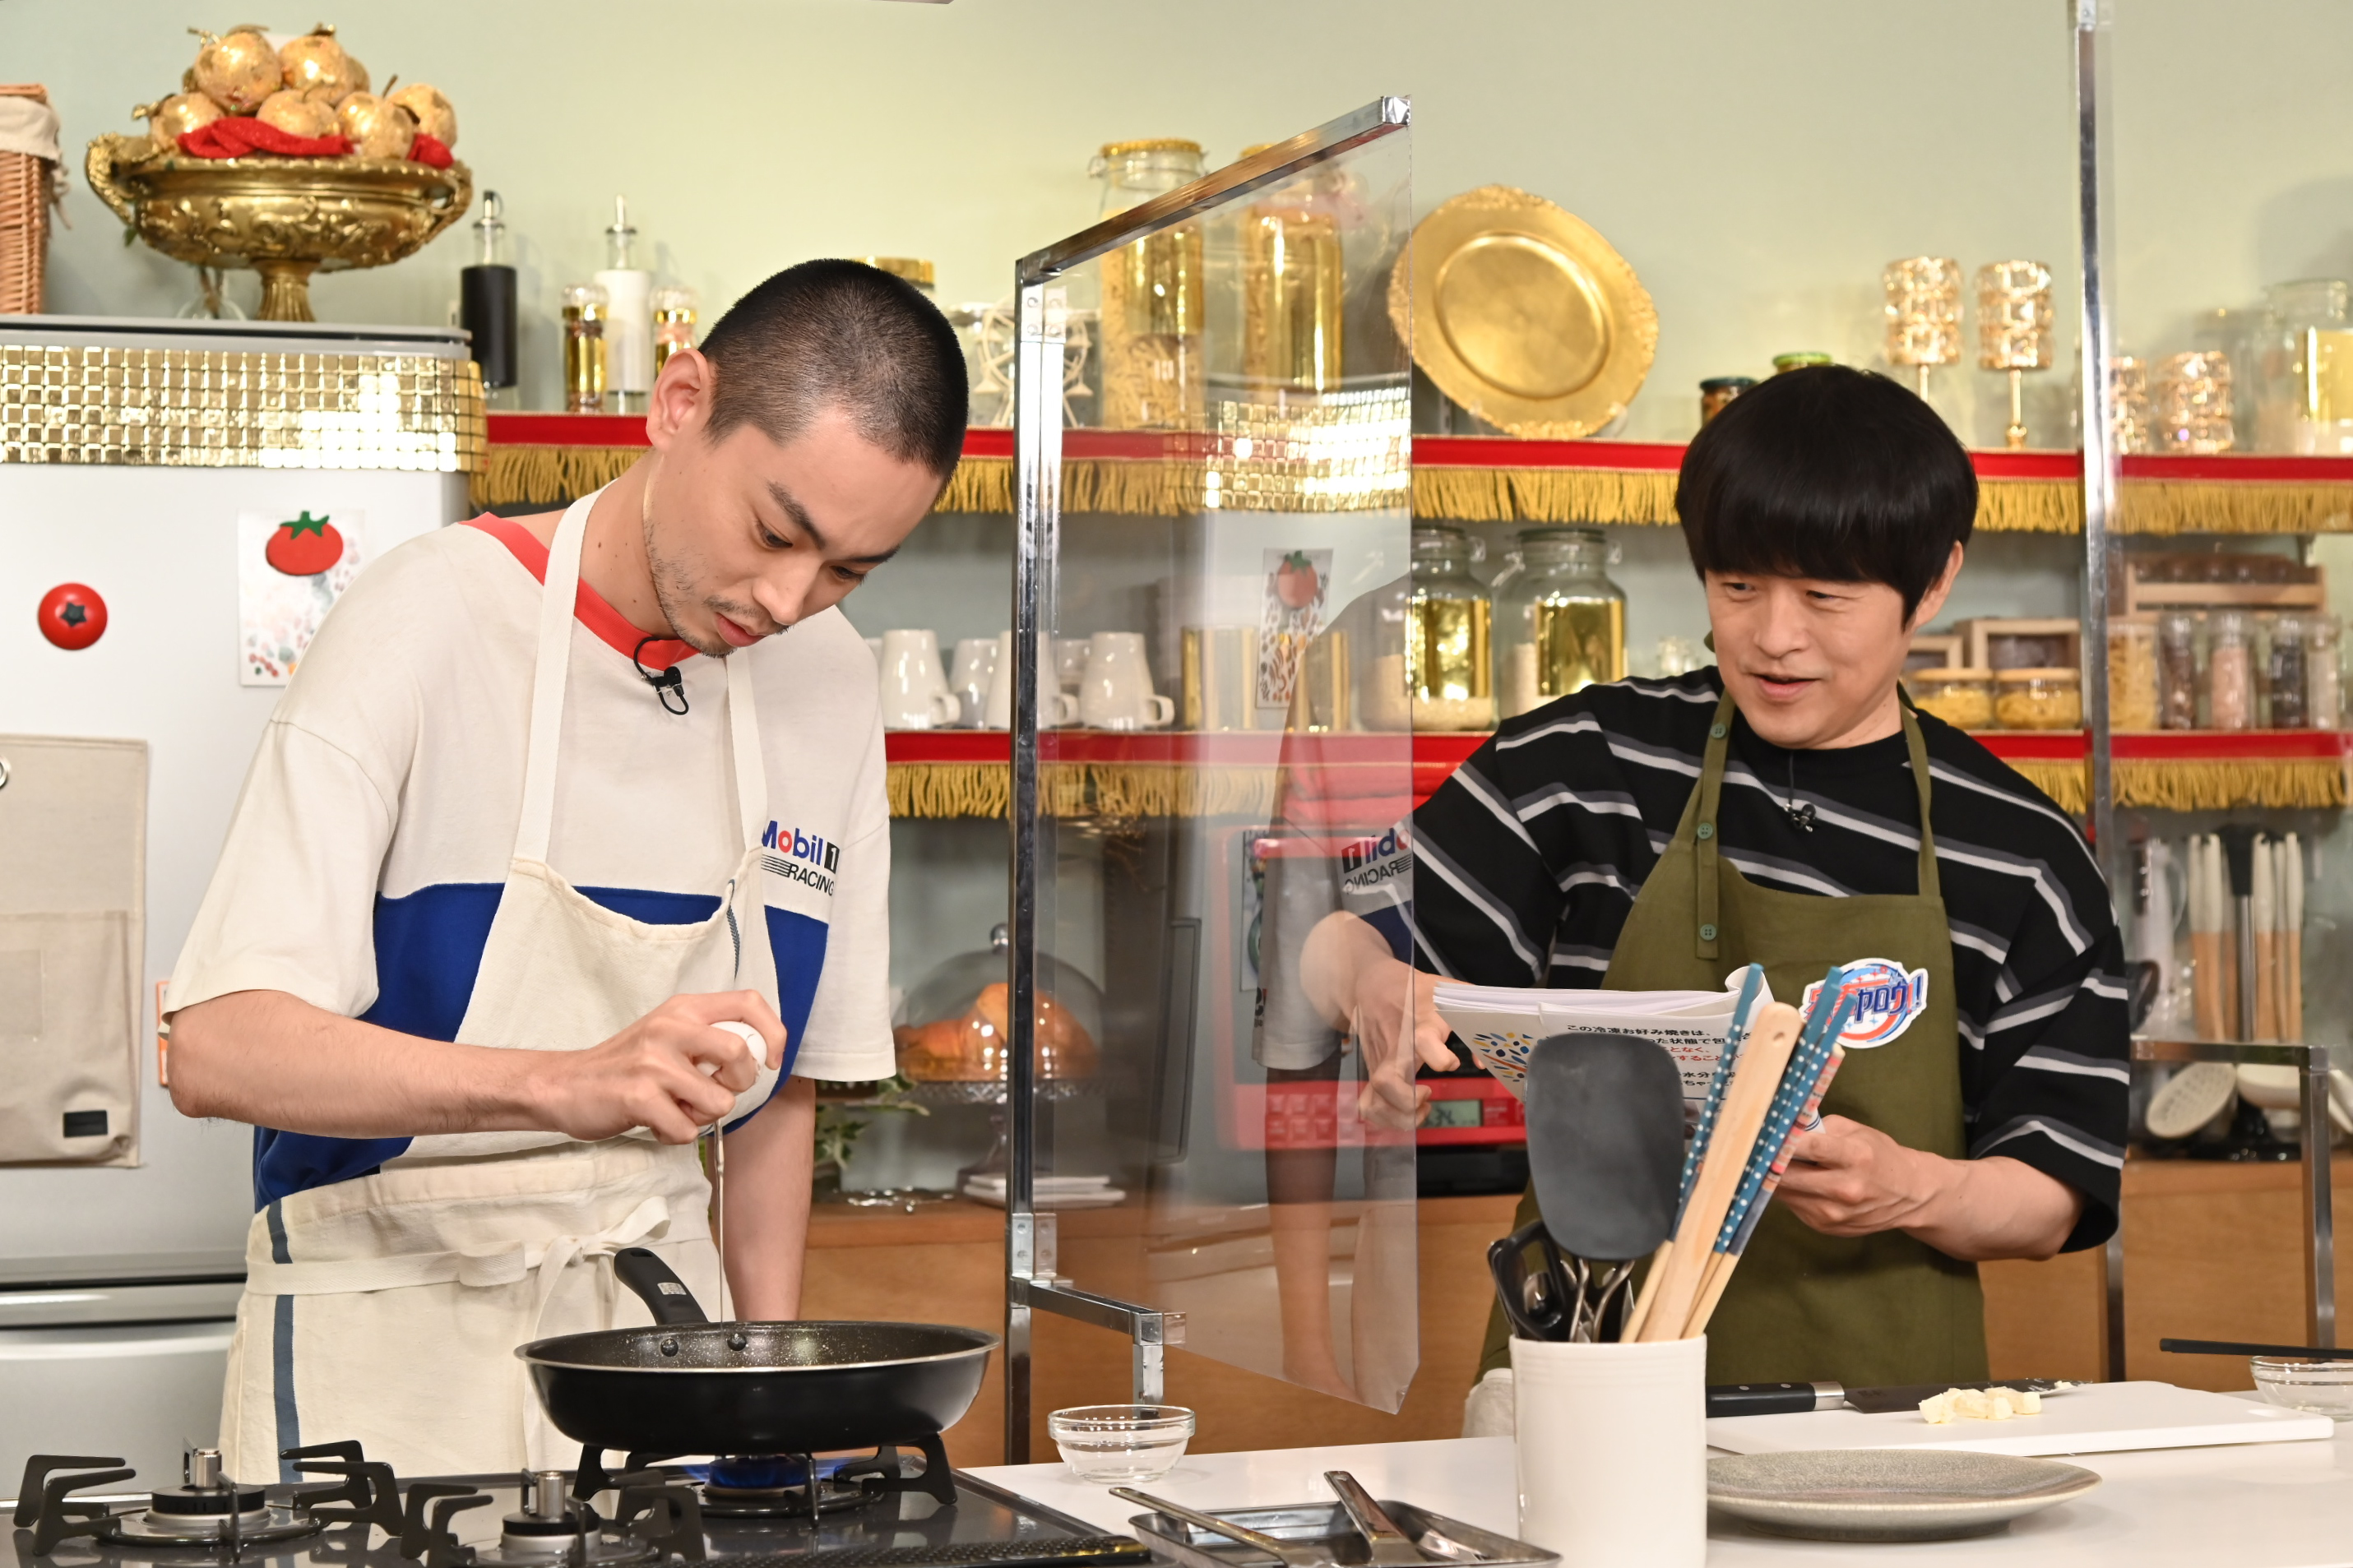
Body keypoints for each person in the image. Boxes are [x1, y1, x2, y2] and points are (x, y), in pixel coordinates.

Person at [163, 259, 966, 1478]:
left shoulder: (831, 679)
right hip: (384, 1347)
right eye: (775, 532)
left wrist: (766, 1405)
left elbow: (779, 1093)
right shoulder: (427, 617)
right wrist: (560, 1082)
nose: (787, 599)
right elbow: (217, 1046)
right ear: (679, 403)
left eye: (849, 570)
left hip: (667, 1358)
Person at [1298, 366, 2128, 1390]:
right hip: (1584, 1395)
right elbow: (1318, 940)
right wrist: (1370, 980)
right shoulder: (1586, 765)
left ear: (1933, 581)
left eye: (1823, 596)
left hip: (1883, 1424)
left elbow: (2053, 1188)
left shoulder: (2017, 847)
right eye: (1736, 587)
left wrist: (1908, 1187)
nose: (1772, 636)